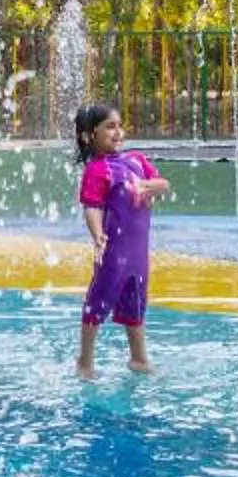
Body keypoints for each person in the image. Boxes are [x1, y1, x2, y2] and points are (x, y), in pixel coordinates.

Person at [72, 101, 171, 378]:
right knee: (98, 300)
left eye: (119, 126)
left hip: (138, 254)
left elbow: (164, 184)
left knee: (136, 301)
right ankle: (85, 360)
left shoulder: (136, 160)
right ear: (91, 135)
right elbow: (91, 207)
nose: (118, 132)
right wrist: (97, 235)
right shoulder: (97, 170)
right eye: (109, 127)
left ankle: (139, 358)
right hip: (113, 251)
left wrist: (150, 186)